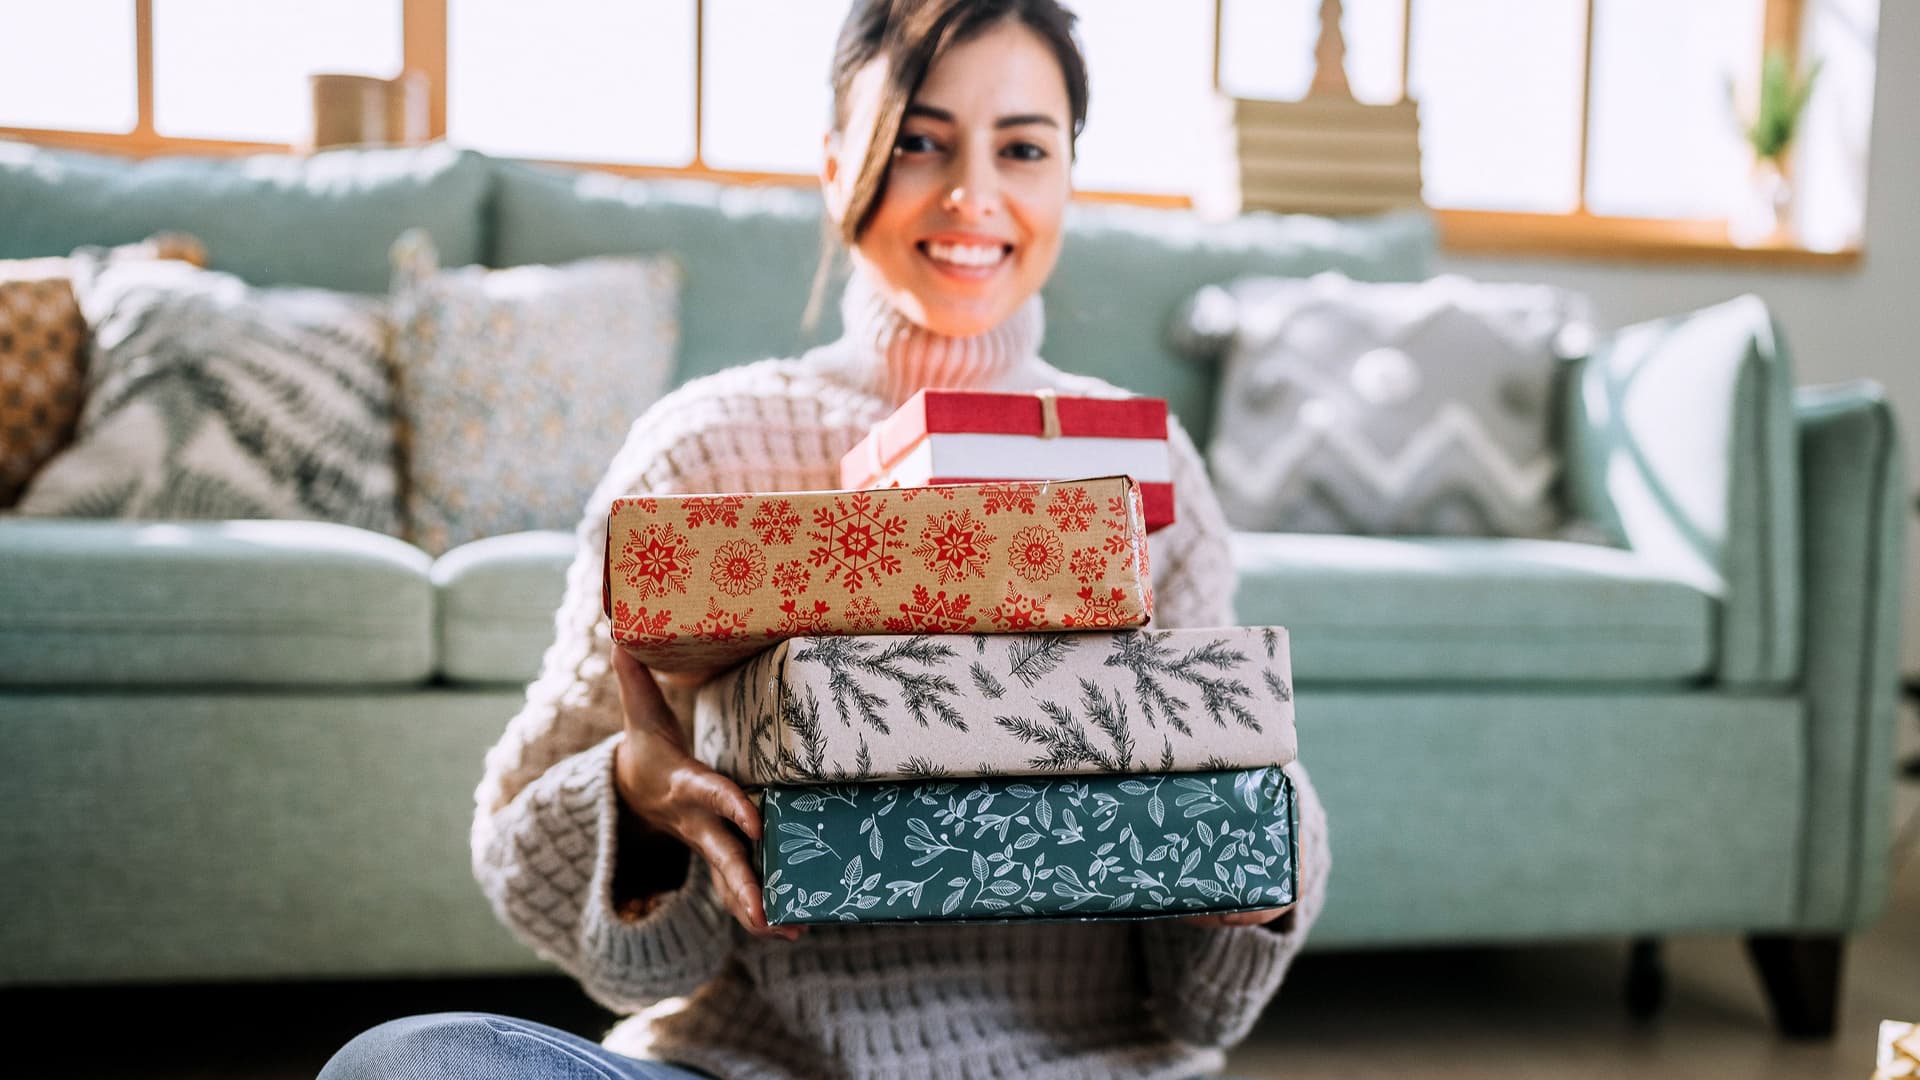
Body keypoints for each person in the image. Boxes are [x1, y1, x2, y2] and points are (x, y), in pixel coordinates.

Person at [320, 1, 1328, 1076]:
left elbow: (1204, 1009)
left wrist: (1262, 859)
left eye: (1023, 147)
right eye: (916, 141)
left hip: (1083, 1064)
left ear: (1068, 176)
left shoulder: (1143, 467)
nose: (970, 194)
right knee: (409, 1064)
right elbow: (528, 858)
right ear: (838, 158)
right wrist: (637, 798)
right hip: (749, 1065)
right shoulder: (701, 449)